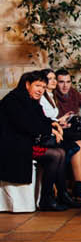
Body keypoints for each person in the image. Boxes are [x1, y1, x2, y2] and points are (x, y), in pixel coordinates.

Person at [0, 71, 75, 211]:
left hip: (24, 142)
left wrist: (54, 124)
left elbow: (40, 119)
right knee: (56, 155)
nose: (40, 90)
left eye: (43, 87)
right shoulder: (13, 100)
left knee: (62, 152)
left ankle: (57, 195)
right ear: (27, 85)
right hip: (12, 146)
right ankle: (47, 199)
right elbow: (25, 125)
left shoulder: (30, 100)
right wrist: (50, 130)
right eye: (37, 86)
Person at [41, 70, 81, 203]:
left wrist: (60, 120)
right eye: (51, 79)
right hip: (51, 135)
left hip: (58, 129)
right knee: (79, 144)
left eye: (55, 79)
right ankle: (79, 185)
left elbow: (50, 118)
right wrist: (58, 124)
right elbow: (43, 119)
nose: (54, 82)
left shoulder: (51, 95)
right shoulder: (44, 97)